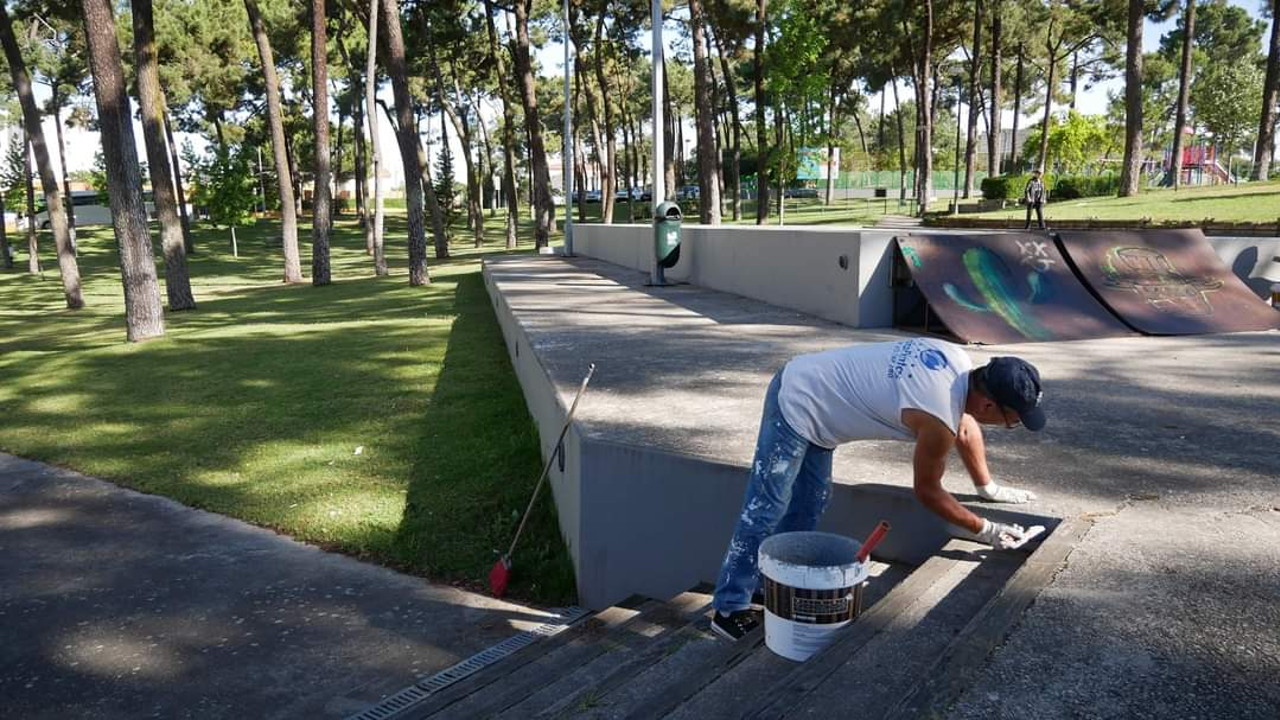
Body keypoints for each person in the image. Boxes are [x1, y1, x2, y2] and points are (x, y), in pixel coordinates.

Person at [709, 337, 1046, 641]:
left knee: (809, 504)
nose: (1009, 426)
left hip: (822, 410)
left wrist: (987, 487)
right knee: (767, 507)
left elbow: (967, 428)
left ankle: (766, 585)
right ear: (988, 404)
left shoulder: (956, 361)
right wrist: (987, 530)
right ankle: (729, 608)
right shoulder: (936, 418)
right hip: (797, 399)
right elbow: (928, 491)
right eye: (1012, 421)